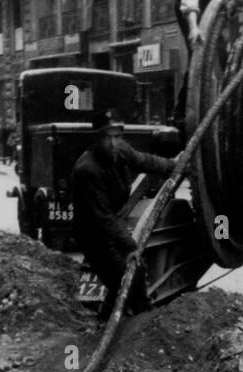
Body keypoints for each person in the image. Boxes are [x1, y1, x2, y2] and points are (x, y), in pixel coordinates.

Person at [70, 109, 176, 322]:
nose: (113, 143)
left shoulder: (121, 151)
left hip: (110, 223)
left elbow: (145, 161)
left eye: (117, 136)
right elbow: (103, 219)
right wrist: (130, 247)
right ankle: (141, 320)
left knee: (127, 276)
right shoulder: (88, 170)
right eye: (106, 137)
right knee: (126, 279)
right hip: (92, 234)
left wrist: (174, 166)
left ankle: (106, 320)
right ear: (97, 139)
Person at [172, 0, 237, 127]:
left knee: (223, 49)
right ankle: (182, 113)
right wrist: (193, 28)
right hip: (189, 10)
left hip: (209, 1)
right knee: (197, 55)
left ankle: (228, 97)